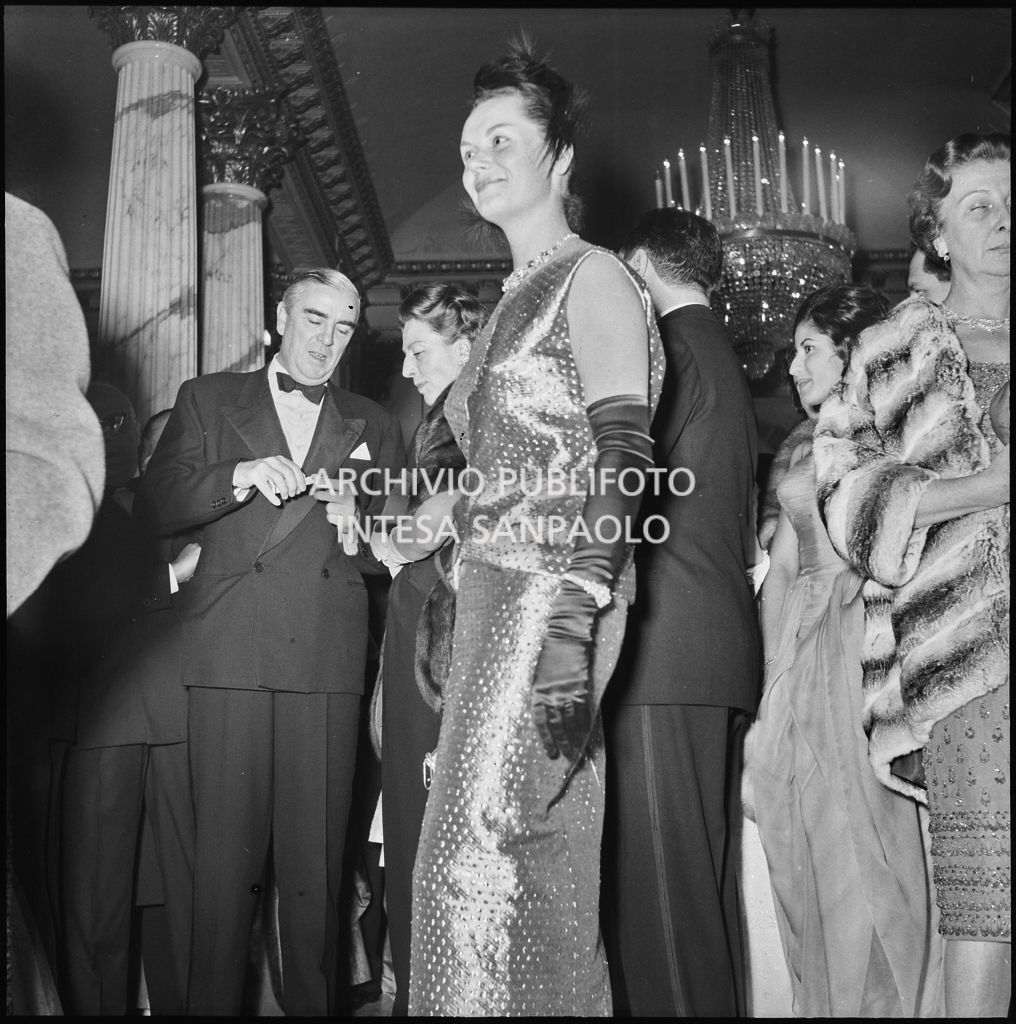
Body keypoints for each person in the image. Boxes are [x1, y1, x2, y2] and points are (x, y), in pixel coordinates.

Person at [408, 40, 664, 1016]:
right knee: (536, 872)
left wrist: (573, 614)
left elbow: (623, 452)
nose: (475, 159)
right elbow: (507, 469)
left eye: (501, 139)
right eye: (467, 144)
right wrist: (430, 517)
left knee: (464, 862)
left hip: (549, 594)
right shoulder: (511, 301)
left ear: (559, 156)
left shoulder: (591, 277)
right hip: (491, 599)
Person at [138, 268, 407, 1016]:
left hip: (325, 660)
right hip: (231, 657)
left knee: (316, 879)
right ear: (281, 318)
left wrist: (362, 523)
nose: (327, 340)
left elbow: (386, 546)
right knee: (222, 879)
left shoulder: (374, 422)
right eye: (314, 320)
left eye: (344, 327)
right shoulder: (209, 400)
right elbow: (154, 505)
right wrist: (239, 473)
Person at [815, 133, 1010, 1018]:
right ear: (936, 230)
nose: (1005, 221)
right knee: (985, 906)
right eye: (980, 207)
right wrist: (984, 487)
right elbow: (843, 492)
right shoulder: (892, 351)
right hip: (967, 664)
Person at [746, 284, 945, 1016]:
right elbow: (786, 568)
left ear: (850, 348)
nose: (791, 366)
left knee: (867, 849)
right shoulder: (800, 445)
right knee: (797, 841)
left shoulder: (889, 425)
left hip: (861, 640)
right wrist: (769, 682)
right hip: (802, 645)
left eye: (807, 349)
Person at [599, 208, 760, 1016]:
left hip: (662, 655)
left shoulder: (667, 352)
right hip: (717, 654)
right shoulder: (720, 352)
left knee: (663, 912)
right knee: (702, 900)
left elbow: (623, 496)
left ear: (639, 265)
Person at [367, 282, 487, 1016]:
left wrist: (385, 531)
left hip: (437, 638)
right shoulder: (450, 416)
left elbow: (446, 513)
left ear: (464, 347)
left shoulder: (467, 415)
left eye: (418, 351)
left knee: (427, 827)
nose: (408, 369)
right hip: (427, 626)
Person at [60, 402, 199, 1015]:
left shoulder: (214, 502)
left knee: (181, 899)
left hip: (187, 722)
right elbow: (80, 604)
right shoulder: (98, 506)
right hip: (107, 721)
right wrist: (170, 577)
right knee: (98, 898)